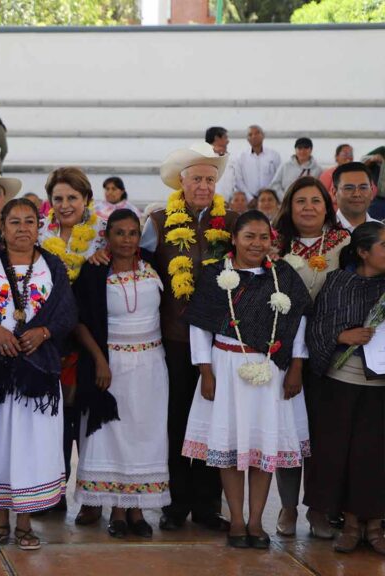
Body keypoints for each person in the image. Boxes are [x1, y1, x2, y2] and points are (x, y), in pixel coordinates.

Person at [184, 210, 312, 549]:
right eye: (249, 237)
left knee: (261, 447)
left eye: (263, 237)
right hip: (225, 367)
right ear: (234, 239)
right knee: (229, 447)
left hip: (271, 370)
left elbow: (299, 323)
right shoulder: (215, 275)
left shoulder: (283, 275)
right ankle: (237, 521)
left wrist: (297, 367)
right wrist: (205, 370)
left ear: (272, 240)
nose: (257, 244)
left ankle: (256, 521)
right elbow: (199, 325)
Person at [0, 198, 72, 550]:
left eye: (29, 221)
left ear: (39, 227)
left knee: (29, 444)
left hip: (37, 369)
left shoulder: (53, 266)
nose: (23, 228)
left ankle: (25, 523)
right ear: (1, 228)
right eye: (15, 222)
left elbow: (66, 314)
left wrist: (44, 332)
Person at [140, 142, 238, 533]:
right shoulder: (160, 220)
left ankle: (208, 505)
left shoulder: (230, 221)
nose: (203, 185)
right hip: (176, 336)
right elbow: (140, 266)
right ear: (182, 181)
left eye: (209, 179)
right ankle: (175, 502)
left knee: (216, 421)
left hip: (222, 340)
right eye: (196, 178)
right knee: (178, 419)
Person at [73, 209, 169, 538]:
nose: (126, 240)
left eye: (132, 233)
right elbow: (79, 320)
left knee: (145, 434)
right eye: (119, 233)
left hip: (151, 365)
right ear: (107, 237)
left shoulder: (155, 268)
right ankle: (114, 507)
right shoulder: (94, 270)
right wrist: (100, 361)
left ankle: (136, 509)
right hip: (110, 366)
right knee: (111, 435)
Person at [272, 176, 349, 538]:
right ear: (289, 206)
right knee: (288, 434)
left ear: (326, 205)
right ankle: (287, 508)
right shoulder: (271, 243)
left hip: (332, 354)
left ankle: (319, 510)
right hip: (282, 354)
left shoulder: (344, 243)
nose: (308, 207)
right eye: (300, 200)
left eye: (315, 201)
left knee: (323, 436)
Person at [305, 221, 385, 555]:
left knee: (376, 456)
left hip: (381, 387)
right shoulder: (339, 282)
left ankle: (377, 527)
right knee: (344, 456)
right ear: (364, 252)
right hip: (343, 384)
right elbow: (318, 326)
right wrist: (342, 336)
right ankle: (351, 525)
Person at [35, 166, 105, 517]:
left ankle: (92, 498)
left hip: (91, 343)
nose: (65, 205)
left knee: (89, 421)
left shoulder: (101, 239)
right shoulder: (38, 239)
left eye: (72, 198)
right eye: (58, 198)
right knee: (53, 421)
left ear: (87, 200)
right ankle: (52, 492)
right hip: (49, 344)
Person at [234, 125, 281, 202]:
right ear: (247, 139)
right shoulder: (241, 157)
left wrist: (268, 195)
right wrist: (250, 198)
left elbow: (278, 178)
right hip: (249, 200)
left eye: (257, 133)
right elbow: (238, 180)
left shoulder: (274, 155)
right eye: (250, 135)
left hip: (269, 199)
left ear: (263, 135)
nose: (254, 136)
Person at [334, 161, 380, 232]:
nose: (357, 194)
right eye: (349, 188)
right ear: (334, 193)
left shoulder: (381, 231)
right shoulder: (319, 231)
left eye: (363, 188)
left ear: (371, 192)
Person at [206, 126, 236, 199]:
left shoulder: (230, 158)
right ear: (217, 138)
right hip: (209, 202)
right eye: (225, 137)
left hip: (227, 202)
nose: (228, 141)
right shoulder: (204, 156)